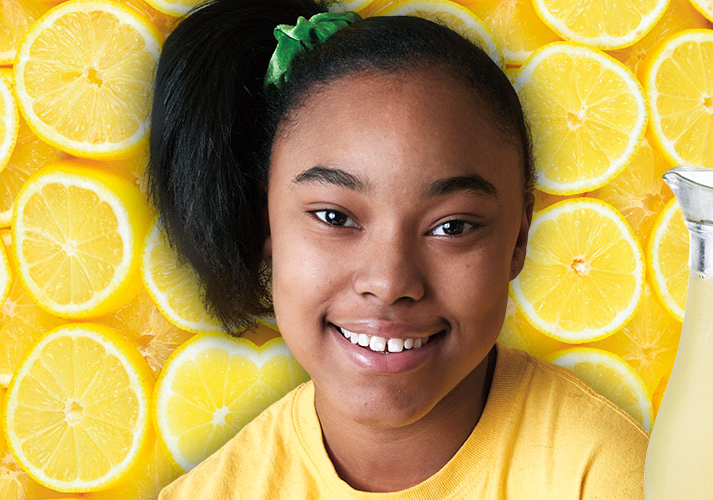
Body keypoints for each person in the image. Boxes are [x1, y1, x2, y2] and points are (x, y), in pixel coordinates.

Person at [149, 0, 647, 497]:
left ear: (518, 237)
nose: (389, 283)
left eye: (452, 226)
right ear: (268, 226)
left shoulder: (605, 474)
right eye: (334, 217)